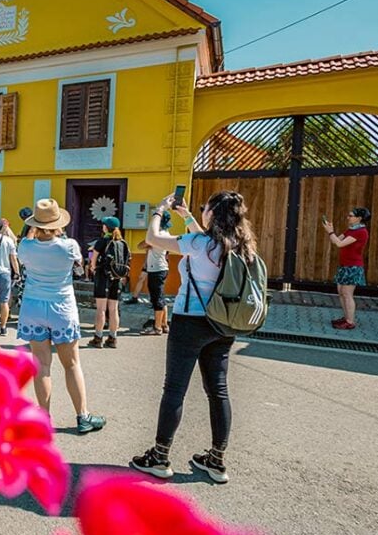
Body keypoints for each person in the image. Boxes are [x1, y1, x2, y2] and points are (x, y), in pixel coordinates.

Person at [130, 190, 258, 484]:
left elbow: (153, 238)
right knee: (218, 390)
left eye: (205, 209)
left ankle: (160, 457)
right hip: (223, 323)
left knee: (174, 389)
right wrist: (186, 216)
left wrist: (159, 212)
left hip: (190, 321)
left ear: (213, 213)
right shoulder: (239, 245)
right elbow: (204, 243)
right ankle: (217, 459)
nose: (203, 212)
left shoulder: (199, 244)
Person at [17, 198, 107, 435]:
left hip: (33, 307)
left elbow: (26, 247)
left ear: (35, 224)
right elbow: (78, 265)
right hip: (62, 307)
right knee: (72, 364)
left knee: (42, 366)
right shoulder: (70, 246)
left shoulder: (26, 246)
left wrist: (32, 230)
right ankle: (83, 416)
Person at [323, 207, 371, 330]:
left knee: (347, 293)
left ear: (359, 218)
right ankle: (346, 317)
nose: (348, 217)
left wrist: (330, 232)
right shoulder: (351, 230)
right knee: (341, 292)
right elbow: (336, 240)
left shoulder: (361, 232)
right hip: (344, 265)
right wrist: (331, 231)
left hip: (353, 266)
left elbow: (339, 244)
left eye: (351, 216)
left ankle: (350, 321)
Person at [87, 217, 128, 349]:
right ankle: (113, 338)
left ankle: (98, 338)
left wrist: (92, 268)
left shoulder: (102, 241)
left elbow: (93, 259)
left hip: (103, 277)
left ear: (106, 227)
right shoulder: (122, 243)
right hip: (117, 278)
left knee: (101, 309)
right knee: (114, 309)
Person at [141, 213, 172, 336]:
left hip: (156, 269)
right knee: (161, 297)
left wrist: (148, 245)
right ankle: (164, 324)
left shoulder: (158, 235)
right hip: (162, 267)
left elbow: (141, 245)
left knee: (156, 299)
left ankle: (157, 327)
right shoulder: (166, 234)